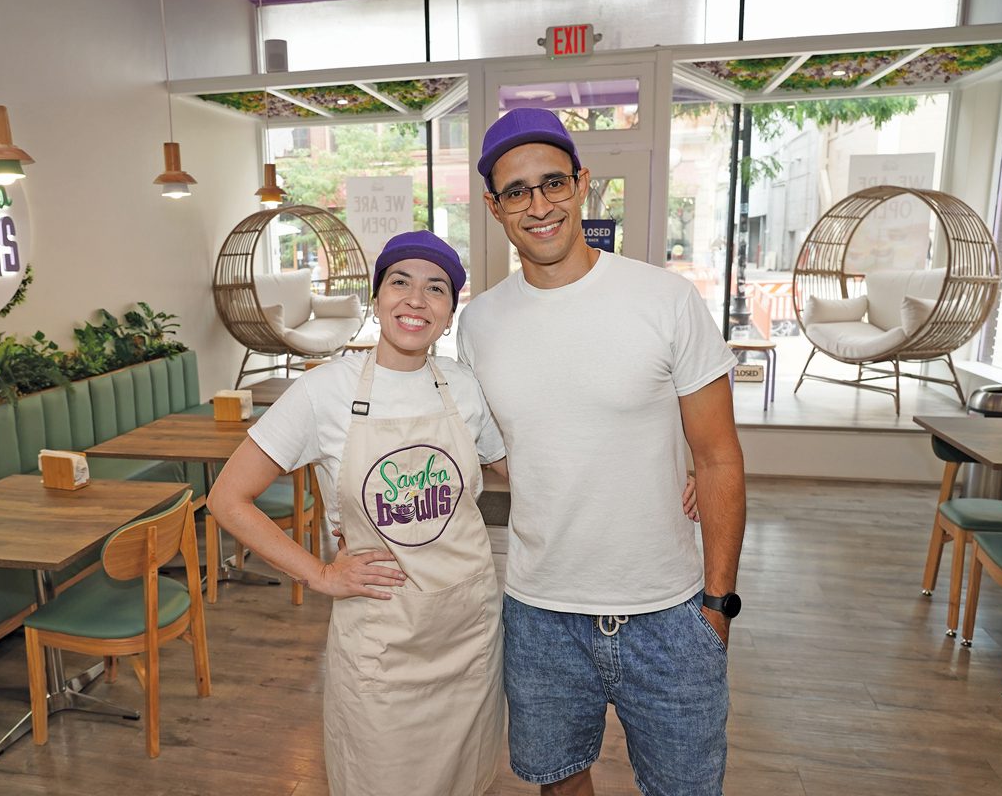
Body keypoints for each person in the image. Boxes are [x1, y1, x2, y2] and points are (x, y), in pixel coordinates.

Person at [458, 107, 746, 796]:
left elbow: (719, 458)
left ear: (582, 184)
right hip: (539, 609)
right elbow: (501, 452)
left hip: (670, 609)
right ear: (496, 208)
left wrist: (717, 606)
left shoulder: (665, 300)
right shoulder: (478, 324)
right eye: (518, 192)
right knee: (559, 783)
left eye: (552, 182)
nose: (539, 205)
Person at [207, 231, 507, 796]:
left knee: (465, 781)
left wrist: (649, 478)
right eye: (400, 282)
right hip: (382, 645)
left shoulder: (465, 389)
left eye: (435, 288)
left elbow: (525, 473)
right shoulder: (323, 392)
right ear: (376, 298)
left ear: (449, 314)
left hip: (468, 634)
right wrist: (320, 573)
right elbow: (227, 499)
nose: (416, 300)